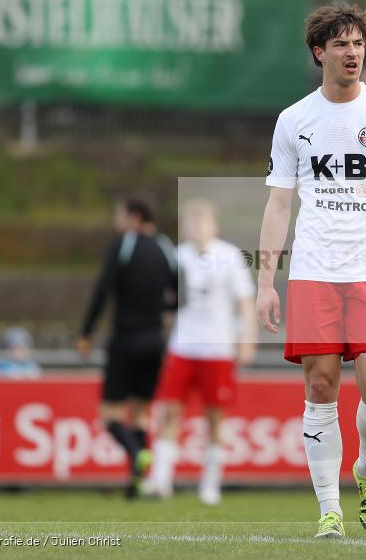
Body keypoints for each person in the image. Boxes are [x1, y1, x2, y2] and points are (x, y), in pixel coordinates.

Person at [256, 3, 366, 539]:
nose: (353, 53)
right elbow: (279, 204)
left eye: (358, 44)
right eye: (342, 45)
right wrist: (265, 282)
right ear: (319, 53)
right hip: (313, 272)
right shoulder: (294, 120)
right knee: (321, 385)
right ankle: (328, 509)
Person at [142, 200, 257, 504]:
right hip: (183, 346)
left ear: (214, 225)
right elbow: (166, 304)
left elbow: (245, 302)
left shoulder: (229, 256)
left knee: (215, 417)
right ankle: (161, 480)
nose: (197, 227)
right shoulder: (177, 257)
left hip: (217, 348)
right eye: (192, 222)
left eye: (202, 221)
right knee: (169, 411)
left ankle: (210, 484)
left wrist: (247, 340)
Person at [78, 195, 178, 498]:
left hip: (124, 341)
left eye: (119, 215)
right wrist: (167, 312)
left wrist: (86, 332)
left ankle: (135, 453)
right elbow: (179, 293)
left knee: (109, 414)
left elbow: (102, 290)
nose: (116, 221)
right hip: (154, 344)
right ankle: (135, 482)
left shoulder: (124, 246)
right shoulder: (165, 248)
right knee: (141, 414)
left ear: (133, 217)